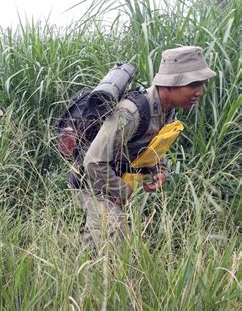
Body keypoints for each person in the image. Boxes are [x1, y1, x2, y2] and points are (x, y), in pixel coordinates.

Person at [72, 46, 216, 250]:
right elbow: (94, 162)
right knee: (108, 237)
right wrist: (122, 192)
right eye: (193, 84)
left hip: (116, 179)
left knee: (119, 244)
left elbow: (155, 144)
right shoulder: (130, 113)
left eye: (202, 84)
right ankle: (84, 280)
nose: (199, 92)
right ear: (169, 85)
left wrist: (160, 171)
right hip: (92, 181)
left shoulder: (168, 110)